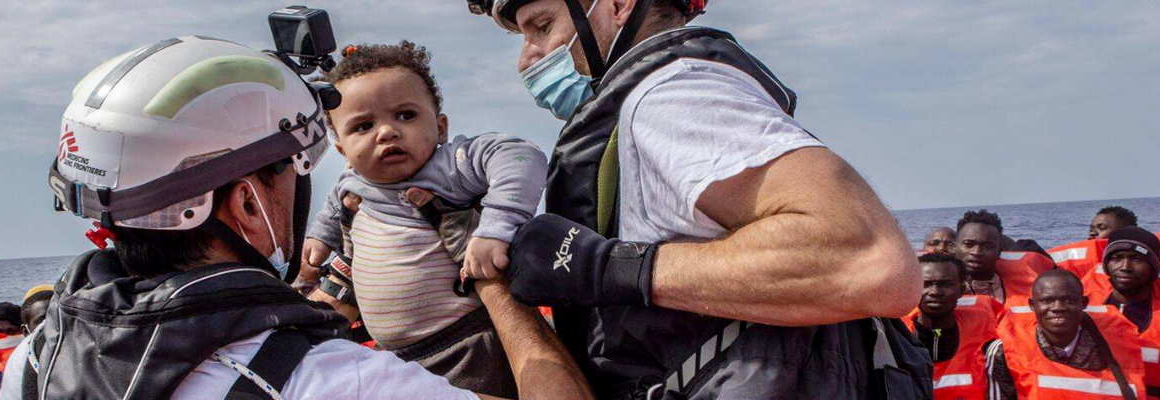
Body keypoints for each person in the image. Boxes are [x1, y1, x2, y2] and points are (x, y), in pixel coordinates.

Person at [8, 35, 587, 400]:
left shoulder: (37, 358)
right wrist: (495, 286)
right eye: (290, 171)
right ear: (245, 207)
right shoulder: (331, 382)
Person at [465, 0, 926, 398]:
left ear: (619, 5)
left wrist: (603, 267)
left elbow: (871, 261)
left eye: (543, 27)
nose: (527, 61)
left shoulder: (673, 94)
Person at [295, 40, 548, 397]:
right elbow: (332, 211)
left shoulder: (449, 168)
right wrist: (319, 241)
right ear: (342, 151)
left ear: (441, 127)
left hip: (466, 345)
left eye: (406, 115)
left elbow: (520, 156)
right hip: (396, 357)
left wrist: (496, 227)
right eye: (364, 126)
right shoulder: (352, 185)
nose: (387, 132)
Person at [987, 269, 1147, 400]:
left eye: (1069, 301)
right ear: (1032, 305)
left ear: (1083, 303)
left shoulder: (1112, 346)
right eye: (1047, 301)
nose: (1058, 307)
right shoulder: (1004, 351)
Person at [1084, 227, 1160, 399]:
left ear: (1153, 267)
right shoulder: (1082, 305)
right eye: (1117, 258)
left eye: (1136, 259)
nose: (1125, 267)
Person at [905, 253, 1000, 400]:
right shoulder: (894, 334)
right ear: (912, 288)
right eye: (926, 284)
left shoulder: (990, 336)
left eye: (945, 284)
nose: (935, 292)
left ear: (961, 290)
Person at [954, 209, 1057, 301]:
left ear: (999, 251)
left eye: (988, 246)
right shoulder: (943, 291)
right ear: (954, 247)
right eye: (968, 244)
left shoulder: (1030, 289)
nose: (976, 252)